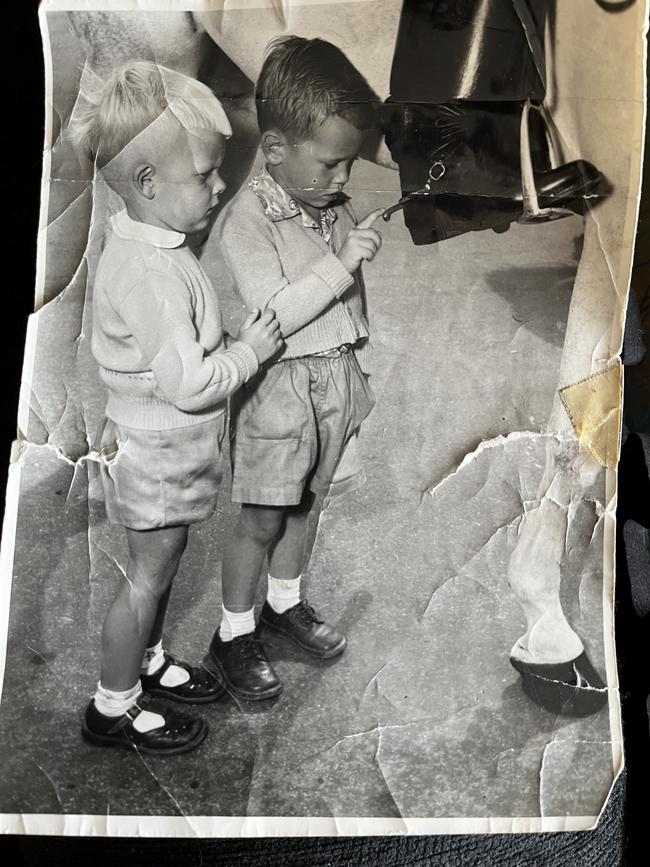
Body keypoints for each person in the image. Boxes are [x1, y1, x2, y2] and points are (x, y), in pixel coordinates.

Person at [71, 61, 283, 753]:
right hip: (159, 453)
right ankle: (114, 704)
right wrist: (247, 350)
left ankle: (150, 661)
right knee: (146, 578)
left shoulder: (150, 241)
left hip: (169, 449)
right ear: (147, 184)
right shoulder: (150, 274)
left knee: (160, 564)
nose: (222, 185)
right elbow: (190, 382)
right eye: (205, 175)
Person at [203, 36, 384, 700]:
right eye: (332, 164)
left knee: (304, 505)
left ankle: (283, 604)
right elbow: (276, 310)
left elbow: (343, 301)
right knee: (260, 517)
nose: (343, 179)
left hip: (332, 379)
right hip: (280, 387)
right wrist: (342, 265)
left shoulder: (325, 203)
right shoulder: (244, 220)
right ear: (275, 149)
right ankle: (232, 633)